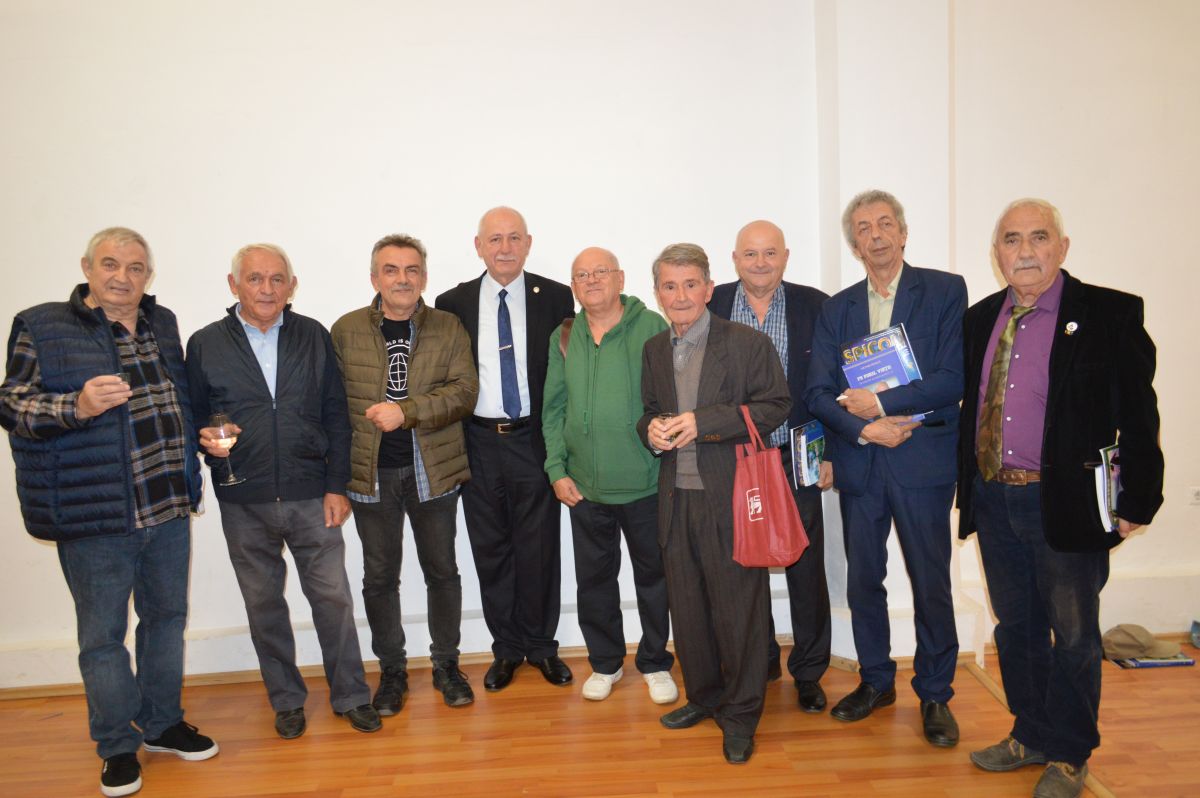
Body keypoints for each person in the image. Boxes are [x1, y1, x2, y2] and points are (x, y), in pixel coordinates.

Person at [0, 227, 218, 797]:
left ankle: (163, 724)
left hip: (167, 505)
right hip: (95, 516)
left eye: (136, 267)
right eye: (110, 264)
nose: (123, 277)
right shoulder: (43, 325)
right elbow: (12, 404)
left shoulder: (162, 322)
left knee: (166, 620)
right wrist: (75, 405)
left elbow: (178, 400)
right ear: (87, 268)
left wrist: (203, 438)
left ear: (149, 275)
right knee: (102, 637)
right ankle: (117, 746)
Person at [959, 199, 1163, 798]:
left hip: (1067, 502)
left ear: (1062, 247)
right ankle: (1030, 732)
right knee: (1016, 628)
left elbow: (1140, 413)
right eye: (1011, 239)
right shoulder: (980, 318)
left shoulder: (1109, 314)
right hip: (995, 497)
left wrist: (1138, 499)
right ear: (996, 253)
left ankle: (1070, 752)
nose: (1024, 251)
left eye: (1038, 237)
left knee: (1073, 635)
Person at [186, 243, 379, 740]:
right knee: (263, 605)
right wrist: (208, 443)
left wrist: (337, 485)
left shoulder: (313, 335)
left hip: (312, 495)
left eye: (277, 279)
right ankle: (287, 700)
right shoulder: (205, 343)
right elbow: (195, 419)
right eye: (255, 279)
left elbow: (336, 413)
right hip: (243, 499)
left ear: (292, 286)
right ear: (234, 285)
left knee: (333, 600)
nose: (267, 289)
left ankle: (352, 695)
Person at [805, 190, 966, 747]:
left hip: (922, 462)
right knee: (863, 580)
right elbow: (818, 393)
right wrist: (863, 428)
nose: (875, 235)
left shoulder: (944, 290)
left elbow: (951, 379)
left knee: (930, 581)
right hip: (861, 462)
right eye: (863, 228)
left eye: (884, 224)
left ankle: (936, 693)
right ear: (854, 244)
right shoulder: (837, 308)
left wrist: (880, 405)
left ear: (902, 232)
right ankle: (876, 679)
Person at [638, 243, 791, 764]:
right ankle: (704, 697)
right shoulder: (654, 349)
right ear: (657, 293)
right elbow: (649, 410)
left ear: (708, 288)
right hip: (675, 498)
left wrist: (704, 423)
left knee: (738, 612)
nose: (680, 295)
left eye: (690, 284)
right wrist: (650, 430)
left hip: (732, 497)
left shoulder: (746, 343)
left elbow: (776, 405)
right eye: (669, 286)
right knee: (688, 609)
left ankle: (742, 713)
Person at [330, 234, 479, 713]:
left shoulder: (448, 326)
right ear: (374, 278)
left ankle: (446, 665)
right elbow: (331, 406)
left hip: (432, 471)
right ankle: (392, 671)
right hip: (370, 475)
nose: (402, 279)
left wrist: (406, 411)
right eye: (391, 270)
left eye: (411, 269)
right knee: (379, 578)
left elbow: (465, 393)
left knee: (443, 572)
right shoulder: (345, 330)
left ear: (424, 277)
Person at [435, 207, 575, 691]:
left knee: (540, 547)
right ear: (479, 247)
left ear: (528, 243)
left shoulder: (556, 297)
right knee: (490, 548)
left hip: (533, 438)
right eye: (494, 239)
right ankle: (507, 649)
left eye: (514, 238)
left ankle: (542, 647)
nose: (505, 248)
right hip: (476, 440)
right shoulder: (451, 303)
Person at [542, 246, 677, 704]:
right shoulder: (565, 335)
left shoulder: (652, 327)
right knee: (594, 582)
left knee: (654, 579)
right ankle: (605, 663)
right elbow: (553, 409)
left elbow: (672, 400)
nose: (592, 280)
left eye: (601, 272)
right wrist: (556, 469)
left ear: (620, 279)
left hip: (645, 483)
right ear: (573, 286)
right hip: (585, 488)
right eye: (582, 275)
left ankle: (656, 662)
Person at [709, 220, 833, 712]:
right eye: (750, 254)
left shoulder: (816, 306)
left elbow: (833, 384)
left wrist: (831, 453)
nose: (760, 263)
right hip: (734, 460)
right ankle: (759, 660)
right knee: (744, 562)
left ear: (785, 256)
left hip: (797, 456)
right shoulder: (713, 303)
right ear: (735, 259)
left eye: (769, 253)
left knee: (805, 565)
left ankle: (809, 670)